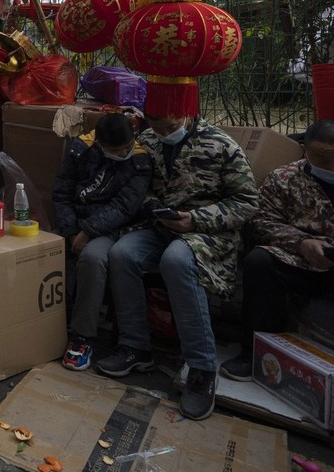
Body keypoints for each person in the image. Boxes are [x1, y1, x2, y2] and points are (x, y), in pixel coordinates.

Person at [219, 120, 334, 408]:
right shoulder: (284, 178)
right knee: (260, 262)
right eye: (321, 159)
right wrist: (300, 243)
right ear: (305, 151)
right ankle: (255, 353)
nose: (333, 168)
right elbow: (261, 220)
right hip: (308, 262)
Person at [97, 114, 259, 421]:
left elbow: (247, 202)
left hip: (207, 233)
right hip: (160, 226)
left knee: (176, 260)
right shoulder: (146, 141)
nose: (164, 132)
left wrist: (195, 219)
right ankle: (135, 347)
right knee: (122, 254)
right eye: (157, 126)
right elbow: (135, 185)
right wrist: (152, 207)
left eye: (170, 126)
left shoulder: (220, 145)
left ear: (186, 112)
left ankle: (201, 367)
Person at [52, 112, 152, 372]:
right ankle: (38, 326)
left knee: (93, 258)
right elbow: (62, 193)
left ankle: (82, 337)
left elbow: (124, 207)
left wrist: (87, 232)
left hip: (112, 227)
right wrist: (72, 231)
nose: (123, 154)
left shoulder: (140, 160)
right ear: (99, 143)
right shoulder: (80, 150)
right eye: (115, 151)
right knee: (41, 250)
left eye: (126, 148)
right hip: (75, 223)